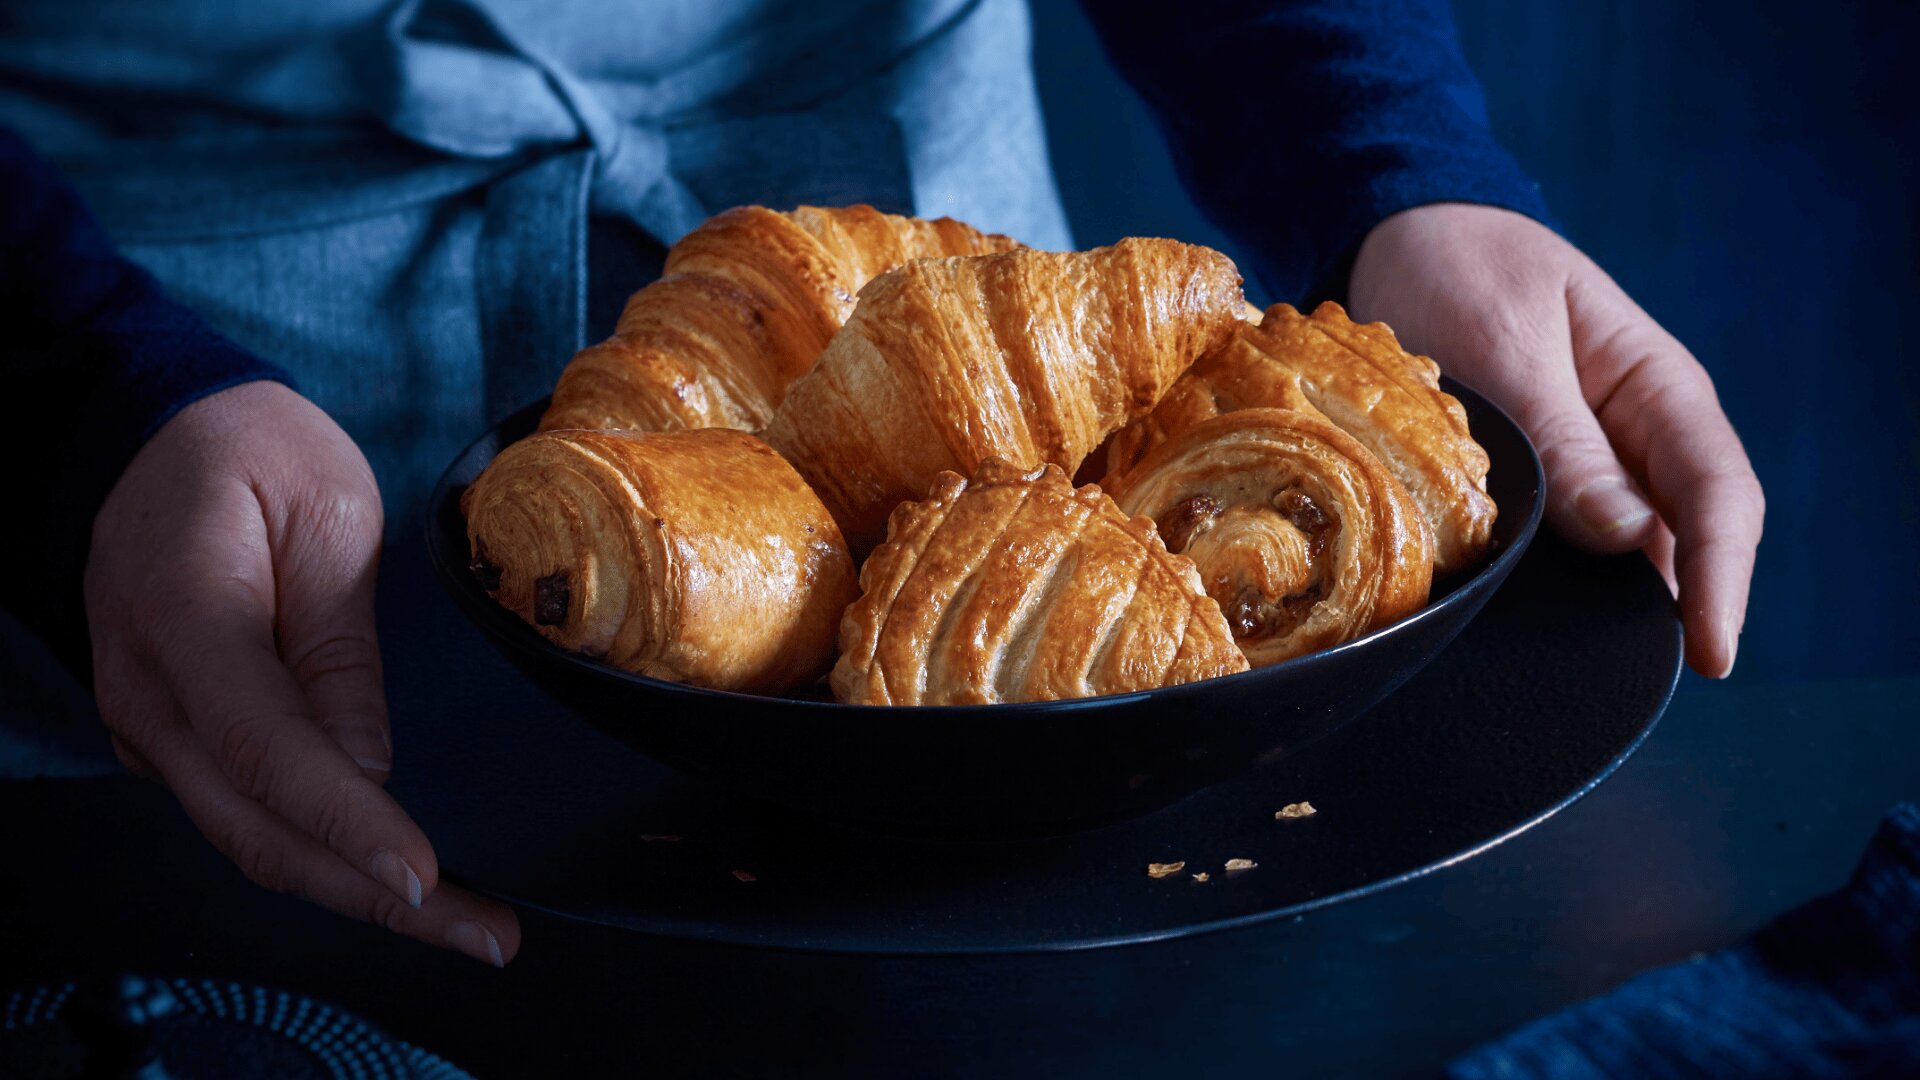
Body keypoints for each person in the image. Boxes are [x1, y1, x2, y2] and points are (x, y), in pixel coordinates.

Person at [0, 0, 1762, 967]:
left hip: (928, 262)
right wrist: (75, 395)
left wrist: (1391, 158)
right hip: (202, 389)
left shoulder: (1110, 504)